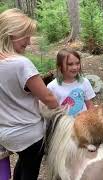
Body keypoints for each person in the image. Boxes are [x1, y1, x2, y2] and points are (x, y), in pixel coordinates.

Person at [0, 8, 59, 180]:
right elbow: (48, 97)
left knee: (23, 165)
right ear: (11, 33)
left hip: (5, 133)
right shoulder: (21, 64)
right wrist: (61, 111)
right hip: (28, 133)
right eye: (25, 35)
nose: (29, 41)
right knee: (30, 171)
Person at [47, 48, 96, 117]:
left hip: (83, 124)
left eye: (77, 63)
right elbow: (51, 111)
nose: (75, 67)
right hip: (64, 126)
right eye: (70, 64)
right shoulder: (52, 87)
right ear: (60, 66)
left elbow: (90, 105)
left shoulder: (84, 82)